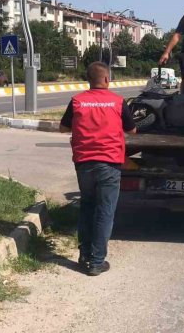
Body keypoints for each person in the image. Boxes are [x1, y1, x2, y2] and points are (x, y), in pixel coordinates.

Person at [59, 61, 137, 275]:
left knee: (87, 206)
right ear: (106, 79)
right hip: (109, 163)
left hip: (83, 162)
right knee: (105, 210)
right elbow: (132, 130)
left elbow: (62, 127)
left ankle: (84, 254)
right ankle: (97, 261)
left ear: (89, 80)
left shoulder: (77, 101)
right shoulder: (117, 102)